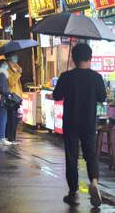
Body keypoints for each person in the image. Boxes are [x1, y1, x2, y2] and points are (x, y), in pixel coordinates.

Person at [52, 43, 106, 207]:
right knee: (90, 154)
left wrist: (66, 80)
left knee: (71, 157)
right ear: (90, 58)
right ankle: (94, 182)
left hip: (70, 123)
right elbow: (102, 98)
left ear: (73, 59)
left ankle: (73, 191)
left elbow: (56, 96)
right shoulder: (96, 77)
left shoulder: (66, 76)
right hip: (89, 122)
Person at [4, 53, 24, 144]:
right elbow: (11, 82)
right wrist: (17, 73)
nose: (16, 59)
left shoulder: (14, 67)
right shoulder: (7, 69)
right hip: (11, 97)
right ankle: (9, 138)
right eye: (14, 57)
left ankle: (12, 137)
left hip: (16, 97)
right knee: (11, 118)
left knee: (14, 119)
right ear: (9, 59)